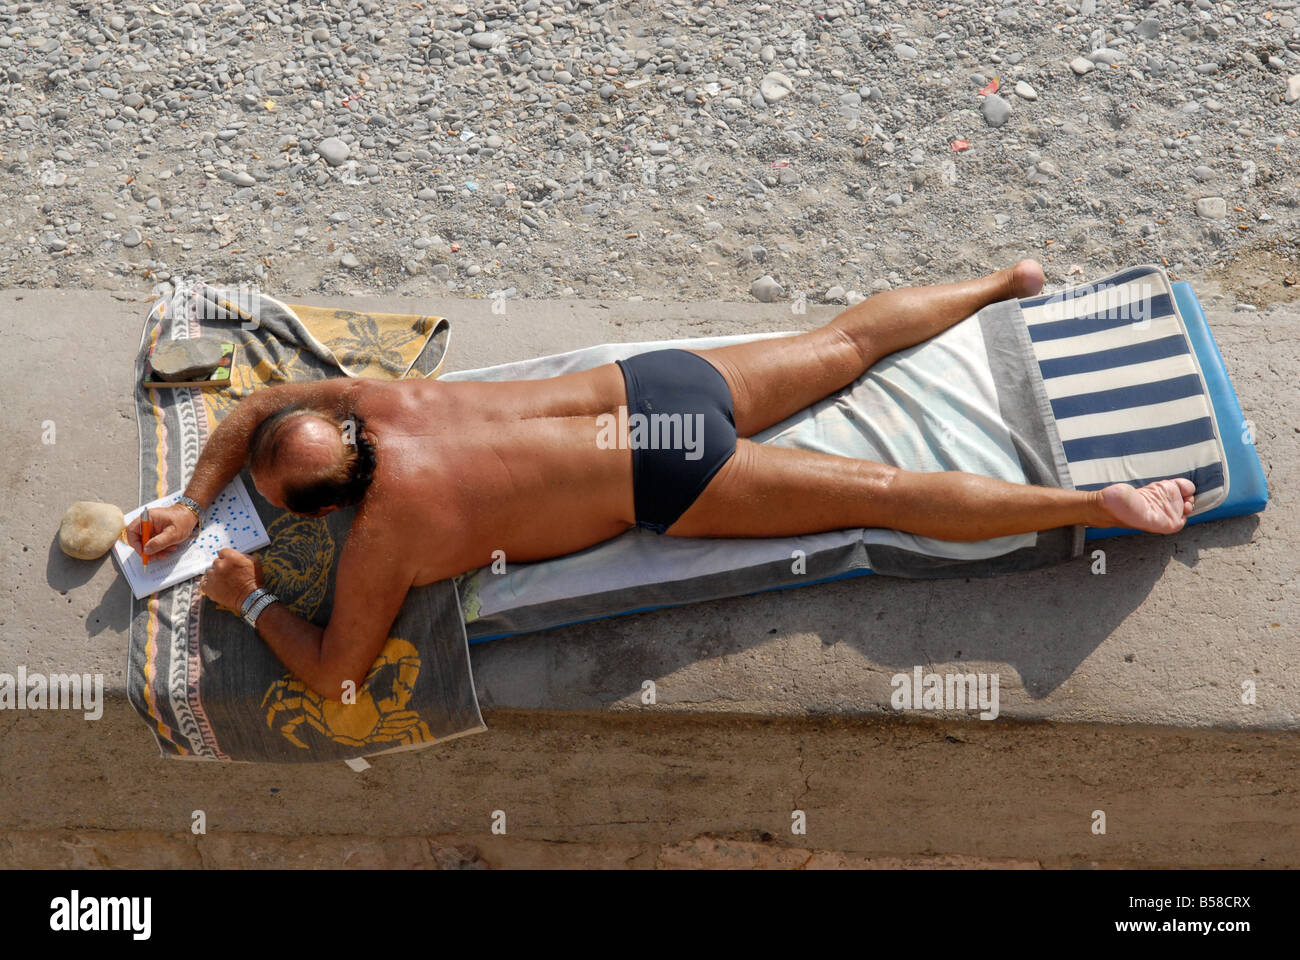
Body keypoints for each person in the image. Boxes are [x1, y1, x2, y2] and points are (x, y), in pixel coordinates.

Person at [127, 260, 1195, 700]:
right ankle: (1007, 280)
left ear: (330, 509)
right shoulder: (383, 402)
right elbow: (260, 408)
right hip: (657, 386)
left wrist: (250, 592)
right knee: (838, 346)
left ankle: (1089, 504)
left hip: (665, 470)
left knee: (879, 490)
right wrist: (188, 498)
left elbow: (335, 680)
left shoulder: (384, 539)